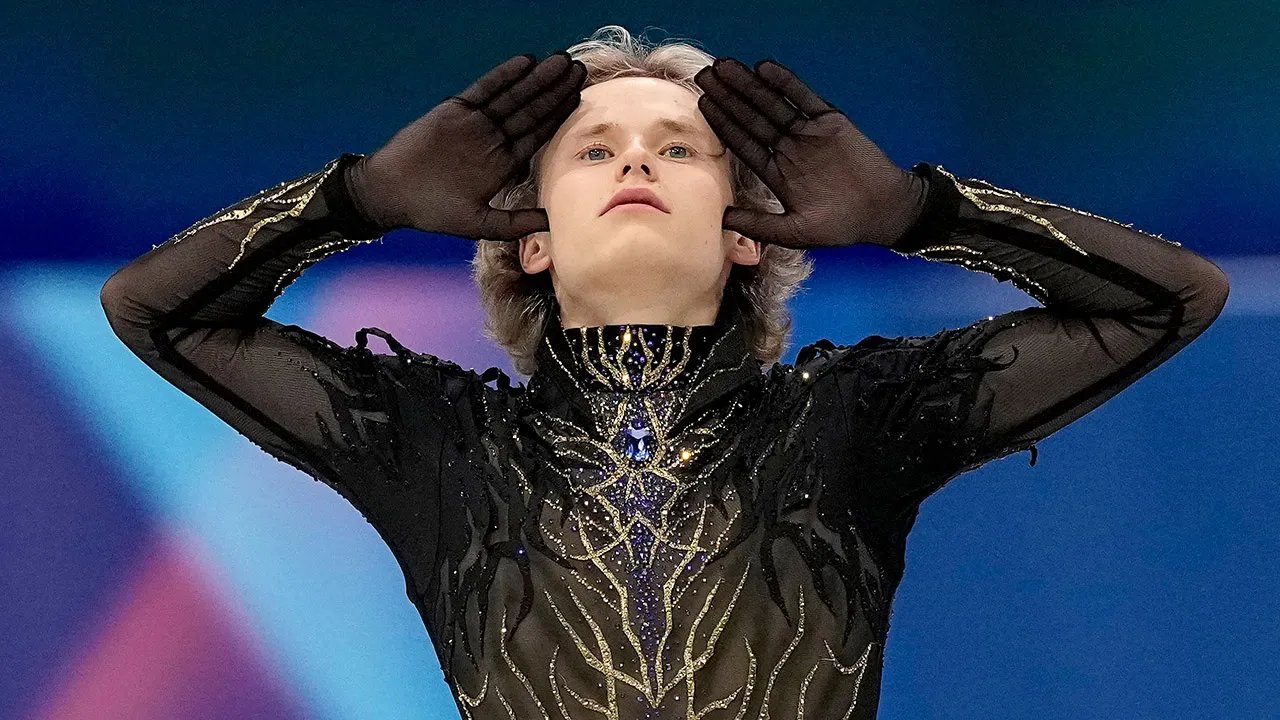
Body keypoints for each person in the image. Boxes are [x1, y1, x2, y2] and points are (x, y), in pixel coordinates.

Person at [100, 25, 1228, 720]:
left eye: (679, 149)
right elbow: (153, 310)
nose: (635, 158)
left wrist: (916, 211)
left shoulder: (852, 421)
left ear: (746, 233)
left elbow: (1170, 297)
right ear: (528, 237)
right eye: (593, 150)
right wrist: (356, 199)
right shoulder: (437, 446)